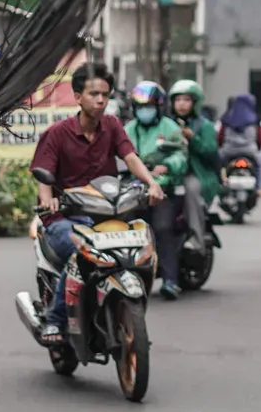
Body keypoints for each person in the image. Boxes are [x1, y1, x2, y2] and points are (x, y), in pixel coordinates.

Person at [31, 63, 165, 344]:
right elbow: (44, 176)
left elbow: (129, 157)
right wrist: (48, 202)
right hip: (65, 219)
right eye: (93, 94)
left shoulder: (113, 126)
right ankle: (55, 321)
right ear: (78, 97)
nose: (100, 100)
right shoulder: (57, 133)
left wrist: (151, 183)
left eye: (105, 94)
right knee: (79, 253)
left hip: (107, 216)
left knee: (139, 245)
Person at [124, 81, 188, 300]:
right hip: (132, 190)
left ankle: (171, 280)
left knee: (162, 228)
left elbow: (180, 156)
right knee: (126, 229)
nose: (145, 110)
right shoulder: (128, 129)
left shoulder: (169, 128)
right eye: (140, 106)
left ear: (159, 107)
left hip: (162, 189)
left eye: (149, 106)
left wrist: (167, 166)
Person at [168, 79, 220, 255]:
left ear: (195, 103)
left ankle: (197, 240)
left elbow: (211, 151)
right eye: (178, 100)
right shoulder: (167, 123)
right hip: (170, 172)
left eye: (186, 100)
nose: (181, 104)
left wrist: (193, 139)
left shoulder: (204, 126)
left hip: (196, 173)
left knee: (190, 189)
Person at [218, 93, 261, 195]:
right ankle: (259, 188)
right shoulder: (254, 121)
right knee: (260, 164)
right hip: (250, 152)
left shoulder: (226, 120)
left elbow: (220, 138)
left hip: (228, 152)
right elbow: (260, 139)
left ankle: (217, 185)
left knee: (217, 164)